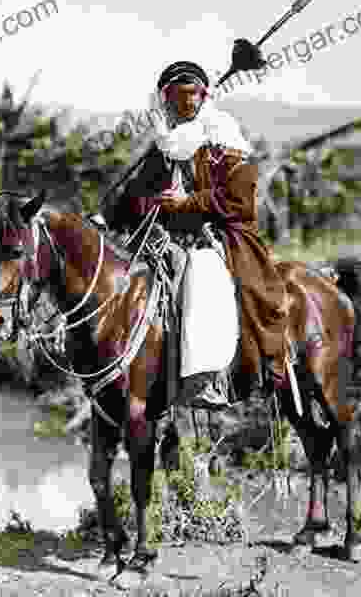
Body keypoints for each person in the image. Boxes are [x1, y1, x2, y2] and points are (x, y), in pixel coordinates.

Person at [103, 46, 289, 410]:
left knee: (203, 276)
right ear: (166, 100)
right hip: (161, 237)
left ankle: (207, 379)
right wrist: (110, 217)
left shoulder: (224, 139)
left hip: (215, 236)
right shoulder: (165, 144)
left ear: (204, 97)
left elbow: (239, 200)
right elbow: (135, 193)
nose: (185, 104)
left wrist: (186, 203)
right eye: (176, 97)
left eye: (192, 96)